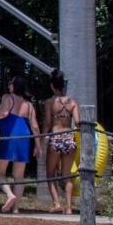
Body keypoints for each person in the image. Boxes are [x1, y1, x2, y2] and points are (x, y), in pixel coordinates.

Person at [0, 76, 37, 214]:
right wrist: (38, 145)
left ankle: (10, 195)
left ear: (14, 86)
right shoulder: (29, 105)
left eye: (10, 83)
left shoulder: (8, 97)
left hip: (8, 135)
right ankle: (16, 208)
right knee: (19, 176)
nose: (9, 86)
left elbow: (3, 113)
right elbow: (35, 126)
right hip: (24, 137)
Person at [43, 70, 81, 214]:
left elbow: (47, 123)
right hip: (69, 140)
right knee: (67, 175)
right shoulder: (73, 102)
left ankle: (56, 203)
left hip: (56, 140)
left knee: (50, 174)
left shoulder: (49, 102)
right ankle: (69, 208)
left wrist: (40, 141)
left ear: (52, 86)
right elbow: (77, 122)